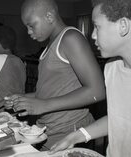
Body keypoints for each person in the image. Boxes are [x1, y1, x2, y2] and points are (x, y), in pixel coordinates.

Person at [5, 0, 105, 149]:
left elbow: (98, 91)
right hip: (50, 128)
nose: (28, 32)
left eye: (31, 25)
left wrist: (43, 105)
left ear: (49, 16)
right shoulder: (49, 47)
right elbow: (51, 91)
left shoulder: (70, 38)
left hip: (69, 129)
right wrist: (23, 98)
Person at [50, 0, 131, 156]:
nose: (92, 35)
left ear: (123, 26)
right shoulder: (112, 68)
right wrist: (76, 135)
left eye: (97, 27)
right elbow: (119, 119)